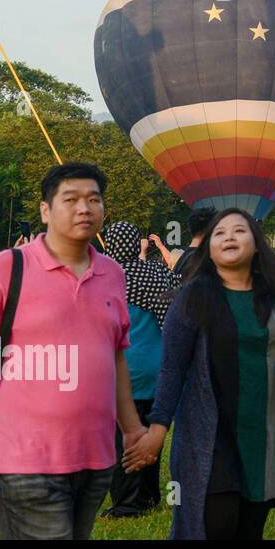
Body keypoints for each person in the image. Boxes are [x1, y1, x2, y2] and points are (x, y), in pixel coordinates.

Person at [122, 208, 275, 539]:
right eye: (220, 232)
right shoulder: (192, 297)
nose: (229, 236)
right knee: (215, 524)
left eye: (239, 230)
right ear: (208, 248)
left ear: (256, 245)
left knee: (249, 527)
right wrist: (157, 430)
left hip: (263, 433)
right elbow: (172, 368)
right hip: (209, 437)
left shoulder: (273, 293)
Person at [0, 163, 145, 540]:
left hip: (95, 456)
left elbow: (115, 356)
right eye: (71, 199)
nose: (84, 208)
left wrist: (132, 429)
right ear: (45, 210)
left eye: (93, 199)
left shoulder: (113, 274)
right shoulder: (7, 268)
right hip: (23, 457)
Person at [101, 220, 179, 519]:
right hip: (158, 368)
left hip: (123, 371)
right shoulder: (158, 273)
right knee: (150, 434)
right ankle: (148, 496)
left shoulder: (106, 279)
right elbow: (173, 316)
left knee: (121, 439)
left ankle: (126, 502)